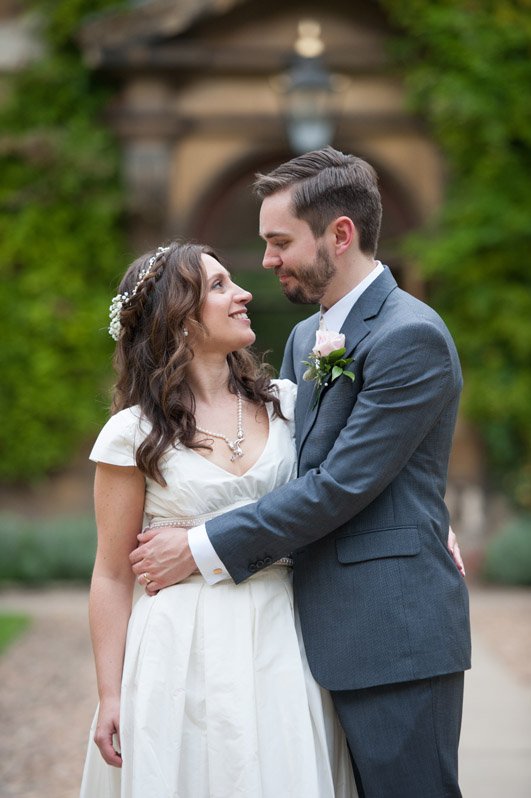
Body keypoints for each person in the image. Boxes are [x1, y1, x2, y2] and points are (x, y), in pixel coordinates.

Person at [131, 147, 472, 797]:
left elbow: (339, 484)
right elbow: (289, 464)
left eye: (278, 241)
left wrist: (198, 546)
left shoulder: (409, 335)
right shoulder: (303, 339)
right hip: (309, 632)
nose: (265, 261)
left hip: (390, 631)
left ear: (338, 235)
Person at [79, 241, 356, 798]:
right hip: (182, 653)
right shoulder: (132, 435)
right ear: (179, 317)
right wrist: (111, 695)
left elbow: (342, 489)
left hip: (286, 635)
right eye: (220, 285)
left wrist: (431, 520)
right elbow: (111, 573)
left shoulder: (289, 403)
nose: (244, 293)